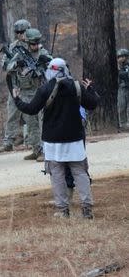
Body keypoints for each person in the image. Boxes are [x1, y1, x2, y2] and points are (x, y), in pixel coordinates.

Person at [13, 58, 99, 219]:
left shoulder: (45, 89)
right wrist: (91, 89)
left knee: (57, 174)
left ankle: (62, 210)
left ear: (50, 71)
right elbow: (93, 104)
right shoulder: (77, 86)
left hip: (52, 140)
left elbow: (31, 109)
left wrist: (17, 99)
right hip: (75, 138)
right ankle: (87, 209)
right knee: (80, 173)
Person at [5, 28, 52, 162]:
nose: (35, 46)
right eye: (32, 44)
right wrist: (17, 64)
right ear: (27, 43)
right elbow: (8, 67)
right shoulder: (21, 53)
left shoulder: (43, 53)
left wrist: (47, 61)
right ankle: (36, 149)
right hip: (26, 93)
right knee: (31, 123)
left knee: (43, 122)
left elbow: (55, 65)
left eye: (37, 43)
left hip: (41, 92)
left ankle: (45, 150)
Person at [0, 19, 31, 153]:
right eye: (18, 32)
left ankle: (34, 143)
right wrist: (15, 64)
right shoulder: (12, 47)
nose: (20, 34)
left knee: (33, 116)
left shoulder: (34, 45)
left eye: (22, 32)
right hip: (16, 86)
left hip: (31, 87)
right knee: (12, 114)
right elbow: (4, 65)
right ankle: (8, 142)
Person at [117, 48, 129, 131]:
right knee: (121, 106)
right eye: (119, 57)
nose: (120, 58)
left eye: (122, 56)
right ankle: (123, 125)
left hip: (127, 87)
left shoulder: (127, 66)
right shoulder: (118, 67)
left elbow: (124, 75)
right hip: (121, 89)